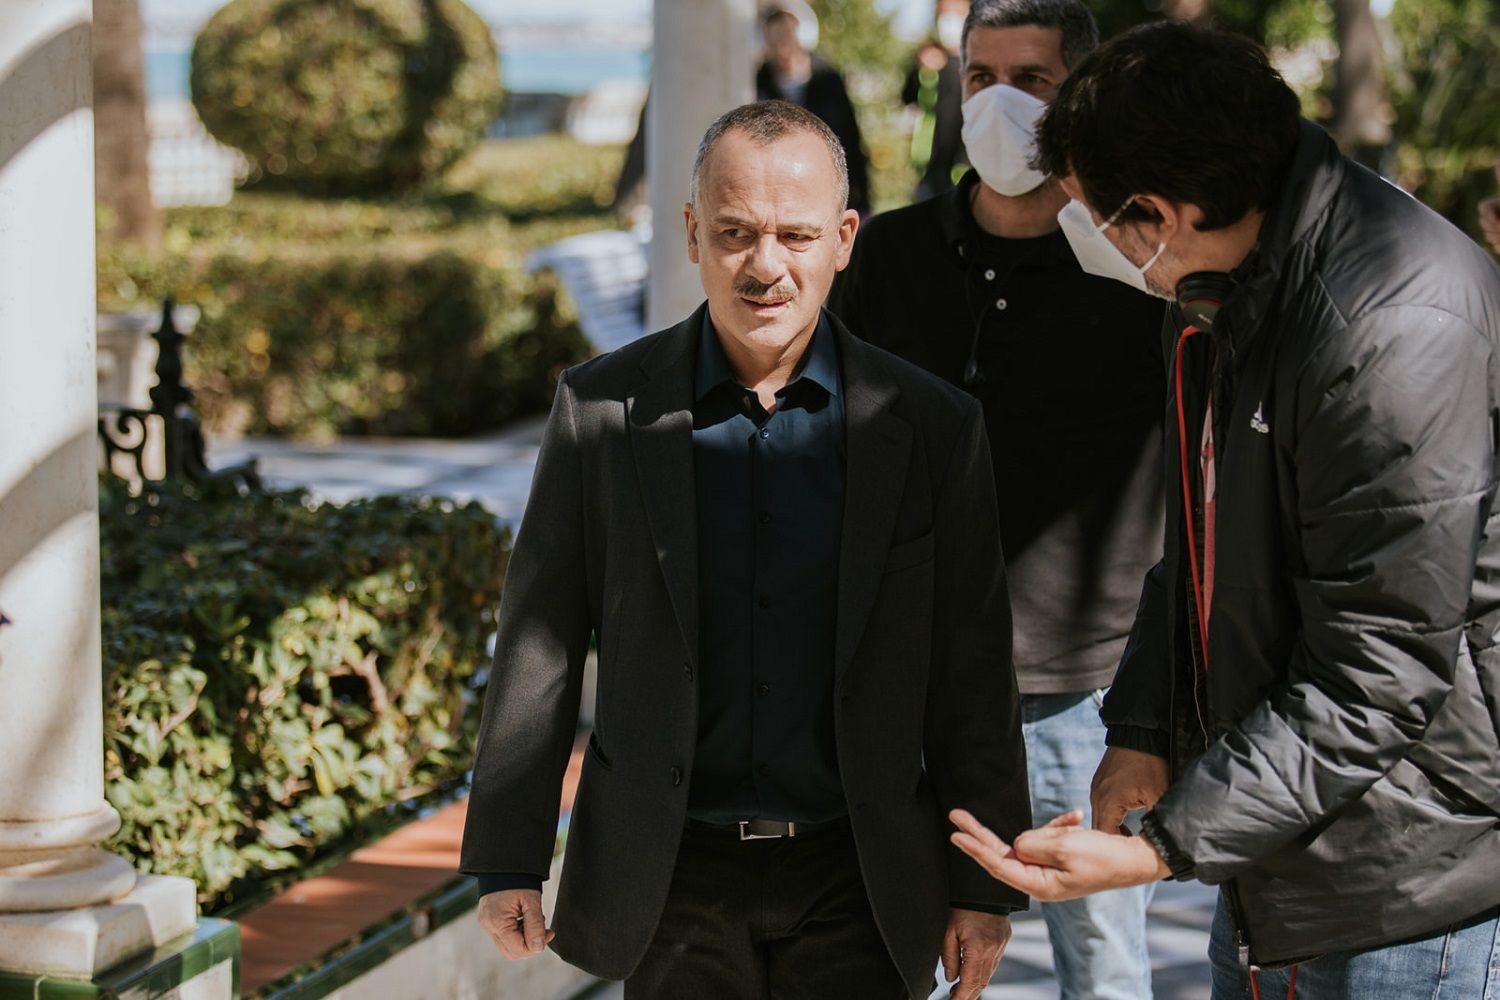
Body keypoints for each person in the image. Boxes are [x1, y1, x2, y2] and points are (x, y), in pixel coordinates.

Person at [949, 21, 1500, 1000]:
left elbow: (1380, 673)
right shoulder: (1224, 287)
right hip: (1281, 847)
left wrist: (1161, 847)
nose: (1098, 244)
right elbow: (1198, 541)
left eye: (1095, 215)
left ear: (1160, 213)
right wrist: (1146, 726)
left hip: (1414, 882)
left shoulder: (1390, 324)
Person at [460, 99, 1032, 1000]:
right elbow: (541, 638)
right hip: (669, 873)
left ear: (845, 238)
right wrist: (507, 858)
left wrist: (984, 884)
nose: (766, 266)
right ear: (692, 233)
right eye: (735, 232)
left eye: (796, 236)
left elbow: (972, 666)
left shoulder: (931, 426)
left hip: (860, 872)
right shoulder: (601, 409)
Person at [828, 2, 1164, 997]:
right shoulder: (883, 257)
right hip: (907, 690)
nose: (1002, 103)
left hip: (1082, 695)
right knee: (896, 959)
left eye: (1034, 80)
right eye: (982, 78)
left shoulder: (1143, 266)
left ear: (1083, 99)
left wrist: (1155, 711)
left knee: (1102, 965)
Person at [755, 5, 872, 216]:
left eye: (787, 34)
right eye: (775, 37)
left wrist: (862, 199)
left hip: (825, 185)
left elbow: (851, 137)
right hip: (778, 191)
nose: (782, 43)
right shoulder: (759, 82)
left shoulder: (828, 80)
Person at [902, 0, 970, 201]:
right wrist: (922, 68)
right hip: (932, 166)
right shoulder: (931, 60)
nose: (949, 21)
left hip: (965, 164)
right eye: (943, 14)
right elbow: (909, 97)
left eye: (955, 14)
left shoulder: (977, 62)